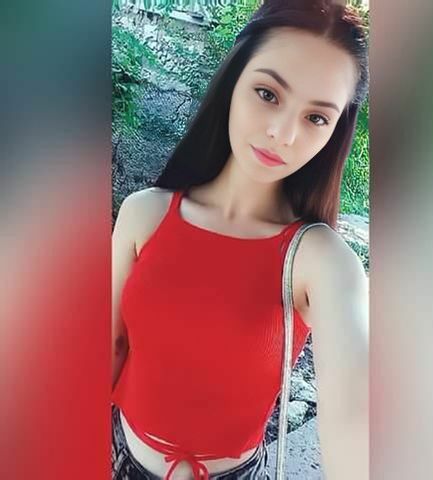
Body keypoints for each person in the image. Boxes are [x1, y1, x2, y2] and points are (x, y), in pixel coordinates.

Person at [112, 1, 369, 479]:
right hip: (118, 458)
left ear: (335, 131)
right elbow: (109, 348)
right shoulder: (146, 214)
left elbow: (356, 419)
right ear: (234, 79)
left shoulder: (319, 260)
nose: (281, 133)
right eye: (268, 94)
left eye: (316, 118)